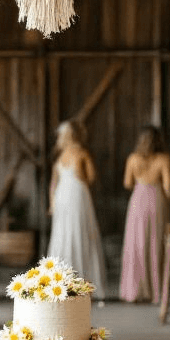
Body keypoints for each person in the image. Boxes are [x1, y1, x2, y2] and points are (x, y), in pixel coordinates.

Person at [48, 119, 106, 298]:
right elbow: (91, 177)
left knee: (64, 234)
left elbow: (53, 184)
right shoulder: (81, 153)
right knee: (80, 232)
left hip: (62, 197)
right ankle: (81, 279)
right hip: (77, 194)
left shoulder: (60, 156)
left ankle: (63, 280)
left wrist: (52, 203)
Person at [120, 126, 170, 303]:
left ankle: (135, 291)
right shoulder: (164, 159)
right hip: (156, 200)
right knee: (155, 242)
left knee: (136, 243)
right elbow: (168, 187)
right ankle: (155, 291)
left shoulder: (133, 158)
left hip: (138, 200)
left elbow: (127, 183)